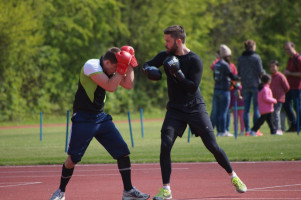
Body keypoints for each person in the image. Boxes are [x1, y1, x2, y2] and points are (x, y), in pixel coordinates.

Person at [142, 25, 247, 200]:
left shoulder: (194, 60)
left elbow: (191, 88)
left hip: (195, 107)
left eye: (168, 41)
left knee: (212, 146)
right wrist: (148, 70)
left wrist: (177, 73)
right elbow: (148, 63)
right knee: (165, 144)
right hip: (175, 109)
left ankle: (233, 176)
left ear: (178, 41)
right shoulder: (165, 55)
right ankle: (166, 189)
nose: (165, 44)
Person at [49, 46, 150, 200]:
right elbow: (110, 86)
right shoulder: (92, 65)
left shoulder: (111, 68)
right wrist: (122, 67)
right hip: (83, 118)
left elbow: (128, 85)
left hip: (101, 118)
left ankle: (128, 191)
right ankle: (60, 192)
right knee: (73, 159)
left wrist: (129, 65)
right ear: (107, 62)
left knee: (123, 152)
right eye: (115, 67)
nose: (116, 71)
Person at [237, 39, 265, 136]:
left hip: (245, 86)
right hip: (255, 85)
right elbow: (261, 71)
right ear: (253, 47)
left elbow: (239, 73)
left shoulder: (240, 58)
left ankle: (247, 130)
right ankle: (255, 130)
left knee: (246, 109)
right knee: (256, 108)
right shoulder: (256, 57)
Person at [213, 44, 239, 136]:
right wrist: (239, 77)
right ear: (226, 56)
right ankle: (223, 131)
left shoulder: (216, 64)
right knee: (224, 112)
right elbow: (231, 76)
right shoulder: (225, 64)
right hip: (224, 90)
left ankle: (219, 131)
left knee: (218, 112)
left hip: (216, 89)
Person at [283, 41, 301, 132]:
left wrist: (290, 73)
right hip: (289, 87)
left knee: (297, 107)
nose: (287, 51)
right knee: (286, 105)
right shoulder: (290, 59)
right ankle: (294, 124)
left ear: (293, 47)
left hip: (297, 87)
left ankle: (298, 126)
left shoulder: (298, 59)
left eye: (289, 49)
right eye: (286, 49)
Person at [269, 60, 290, 135]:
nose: (272, 68)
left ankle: (278, 129)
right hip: (271, 99)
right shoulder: (270, 77)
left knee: (276, 113)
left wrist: (281, 93)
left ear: (278, 67)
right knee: (272, 114)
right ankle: (274, 129)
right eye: (271, 66)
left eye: (273, 66)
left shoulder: (281, 76)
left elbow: (287, 87)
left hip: (279, 98)